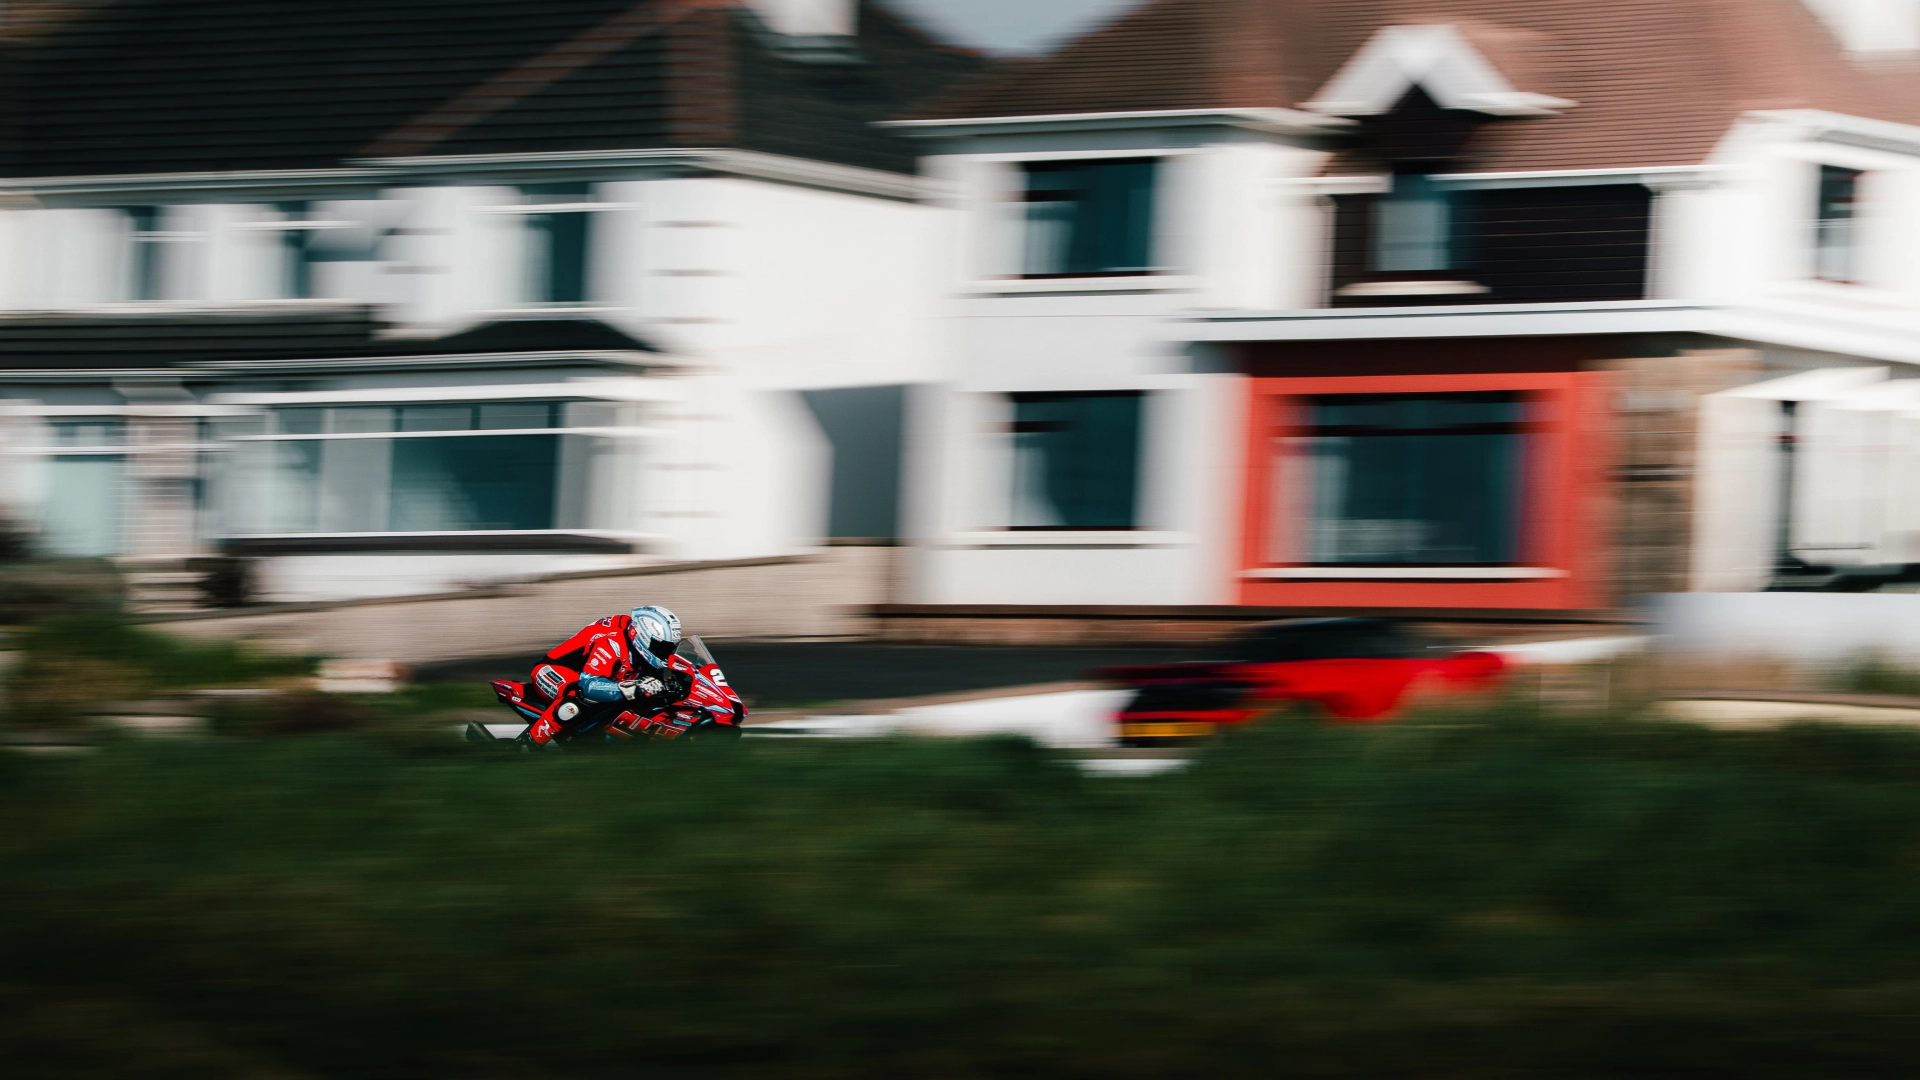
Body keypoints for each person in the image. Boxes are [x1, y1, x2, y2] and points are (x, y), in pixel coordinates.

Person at [525, 605, 692, 745]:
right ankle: (530, 744)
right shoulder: (612, 642)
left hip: (595, 676)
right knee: (576, 698)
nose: (665, 654)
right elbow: (589, 685)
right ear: (642, 637)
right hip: (553, 671)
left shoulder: (640, 649)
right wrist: (635, 687)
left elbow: (654, 683)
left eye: (671, 649)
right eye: (661, 648)